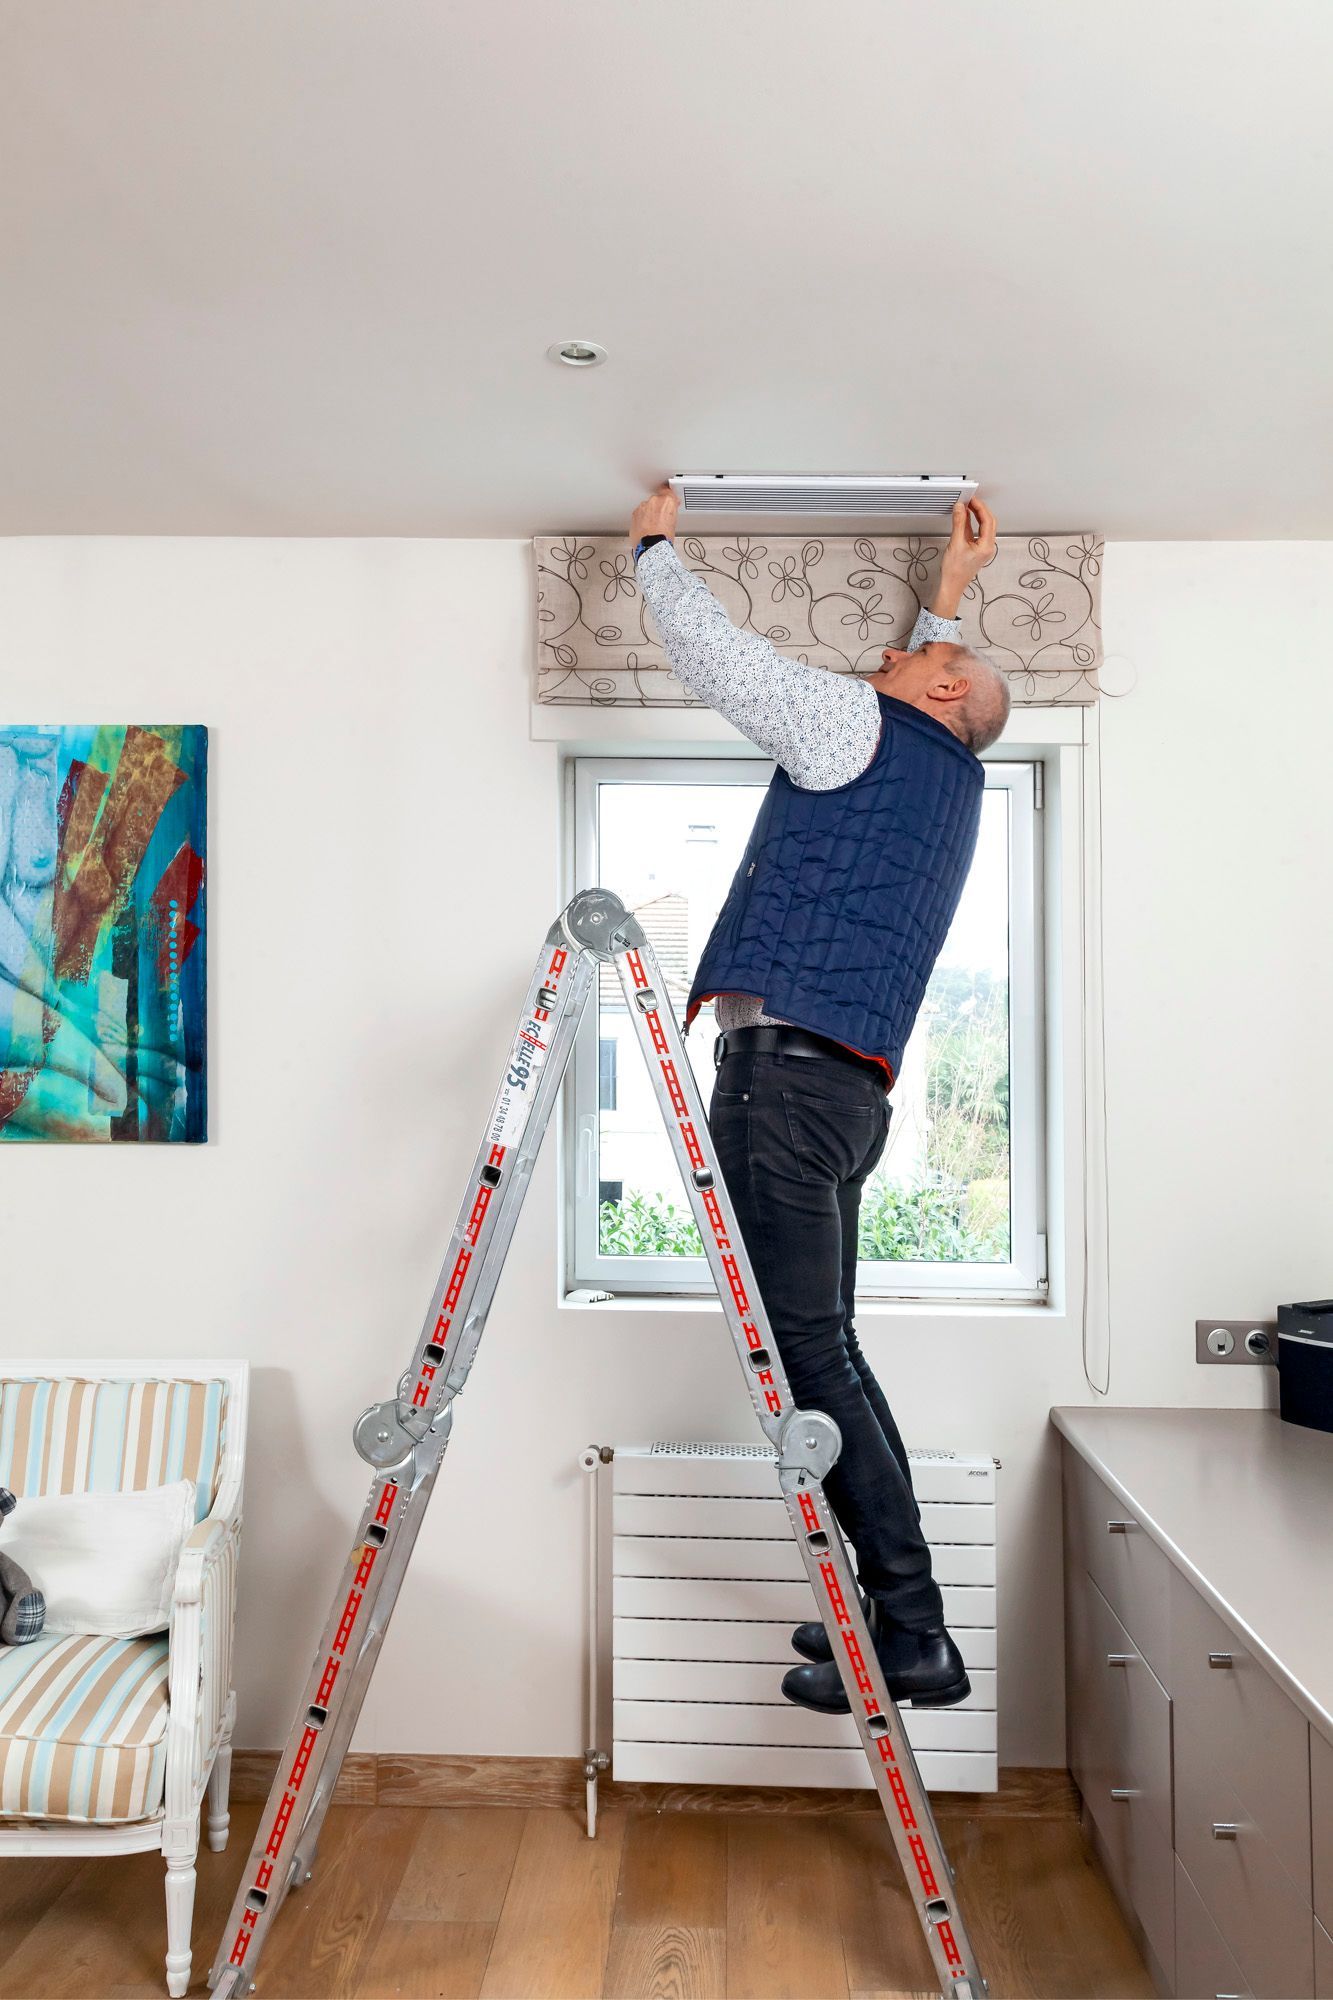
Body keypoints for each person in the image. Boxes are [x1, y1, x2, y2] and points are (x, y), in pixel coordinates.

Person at [626, 483, 1010, 1713]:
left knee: (812, 1357)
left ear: (940, 693)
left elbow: (718, 655)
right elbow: (926, 683)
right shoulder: (944, 778)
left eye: (916, 656)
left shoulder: (859, 728)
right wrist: (945, 597)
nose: (884, 657)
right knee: (827, 1349)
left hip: (783, 1086)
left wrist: (653, 550)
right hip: (841, 1093)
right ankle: (898, 1612)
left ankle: (913, 1624)